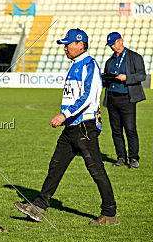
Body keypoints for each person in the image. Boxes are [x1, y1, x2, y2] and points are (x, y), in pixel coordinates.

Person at [15, 29, 119, 225]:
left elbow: (88, 96)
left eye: (68, 44)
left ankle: (110, 213)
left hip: (85, 127)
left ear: (80, 45)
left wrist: (65, 114)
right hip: (71, 127)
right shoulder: (75, 65)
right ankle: (38, 207)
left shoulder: (90, 65)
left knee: (96, 170)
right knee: (55, 166)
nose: (65, 48)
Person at [102, 32, 146, 169]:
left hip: (127, 98)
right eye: (110, 45)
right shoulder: (110, 61)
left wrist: (126, 77)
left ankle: (133, 158)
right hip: (112, 98)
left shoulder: (135, 57)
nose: (112, 47)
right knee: (116, 130)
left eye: (114, 44)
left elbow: (142, 75)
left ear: (121, 41)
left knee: (130, 129)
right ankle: (121, 157)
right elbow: (106, 80)